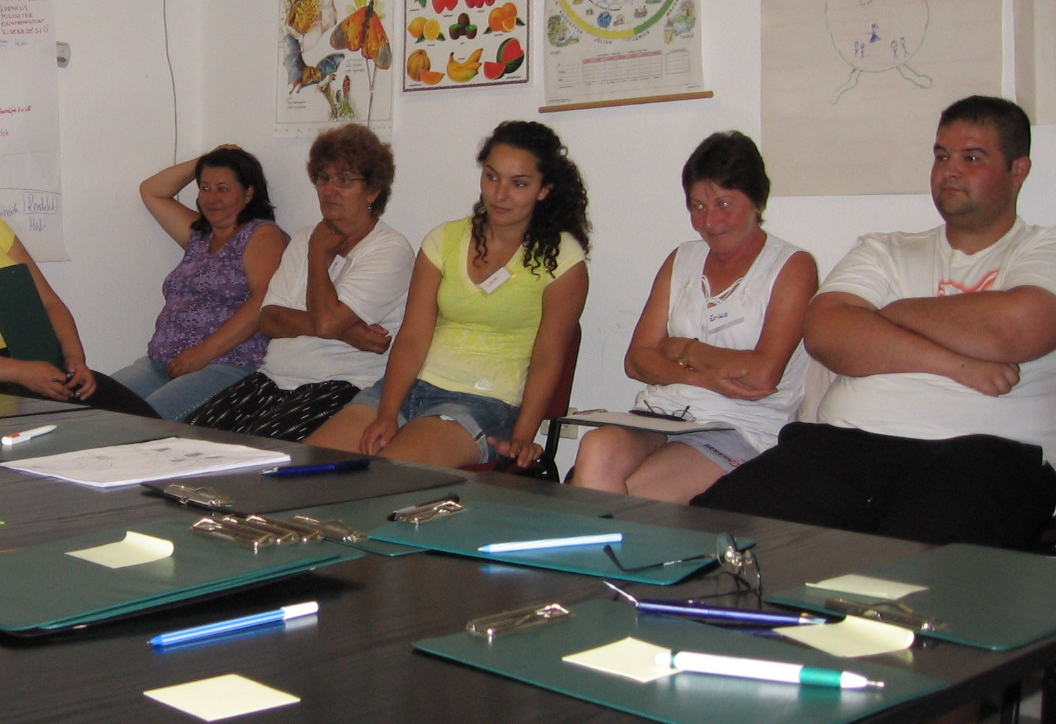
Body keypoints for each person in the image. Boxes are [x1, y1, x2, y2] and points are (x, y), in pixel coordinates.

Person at [695, 96, 1056, 724]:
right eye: (942, 155)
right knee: (715, 529)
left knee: (940, 556)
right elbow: (828, 331)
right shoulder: (887, 247)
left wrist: (888, 313)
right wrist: (958, 359)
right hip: (848, 444)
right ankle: (726, 699)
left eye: (972, 157)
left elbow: (1021, 325)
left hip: (984, 454)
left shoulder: (1041, 251)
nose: (949, 171)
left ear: (1019, 170)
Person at [308, 121, 591, 468]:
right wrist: (387, 413)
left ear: (543, 190)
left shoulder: (563, 258)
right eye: (492, 177)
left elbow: (548, 357)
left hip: (485, 402)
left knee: (385, 477)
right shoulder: (444, 239)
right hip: (411, 387)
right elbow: (413, 336)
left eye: (519, 183)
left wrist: (523, 436)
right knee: (308, 466)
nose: (500, 194)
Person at [569, 132, 817, 502]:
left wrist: (680, 348)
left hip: (738, 426)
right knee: (596, 446)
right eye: (697, 206)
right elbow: (637, 360)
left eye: (724, 204)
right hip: (661, 414)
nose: (709, 221)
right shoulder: (682, 258)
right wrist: (706, 378)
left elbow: (762, 374)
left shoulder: (792, 266)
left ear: (757, 201)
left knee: (631, 496)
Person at [185, 124, 414, 441]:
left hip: (341, 383)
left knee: (258, 453)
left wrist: (318, 255)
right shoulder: (305, 237)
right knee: (188, 440)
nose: (329, 190)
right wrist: (346, 333)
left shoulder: (389, 250)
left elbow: (327, 321)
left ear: (372, 191)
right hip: (271, 379)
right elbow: (269, 319)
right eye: (323, 178)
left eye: (344, 180)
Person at [0, 160, 156, 416]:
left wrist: (74, 358)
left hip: (36, 365)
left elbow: (49, 303)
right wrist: (22, 372)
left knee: (143, 420)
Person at [112, 147, 289, 420]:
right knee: (92, 406)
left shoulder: (262, 234)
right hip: (162, 362)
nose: (212, 198)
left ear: (248, 193)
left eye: (223, 188)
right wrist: (209, 158)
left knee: (146, 421)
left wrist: (202, 354)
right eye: (205, 188)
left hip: (226, 363)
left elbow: (264, 299)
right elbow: (152, 191)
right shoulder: (200, 235)